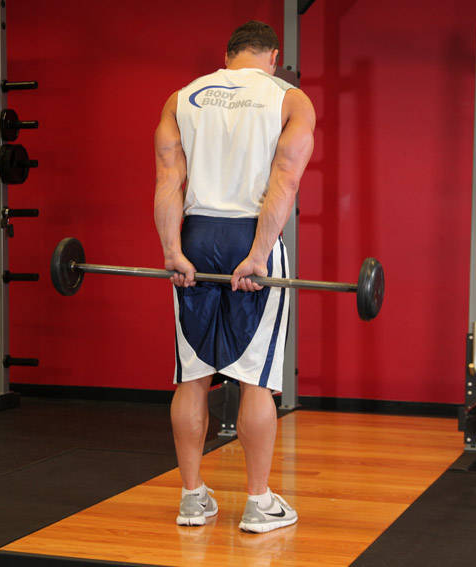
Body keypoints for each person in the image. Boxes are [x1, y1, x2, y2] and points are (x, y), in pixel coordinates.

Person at [153, 20, 315, 533]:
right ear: (272, 56)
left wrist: (173, 251)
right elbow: (286, 180)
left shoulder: (182, 97)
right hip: (251, 235)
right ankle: (258, 501)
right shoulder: (290, 99)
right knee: (256, 381)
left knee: (192, 374)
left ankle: (192, 498)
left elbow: (168, 181)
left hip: (196, 237)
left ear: (228, 56)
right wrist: (260, 254)